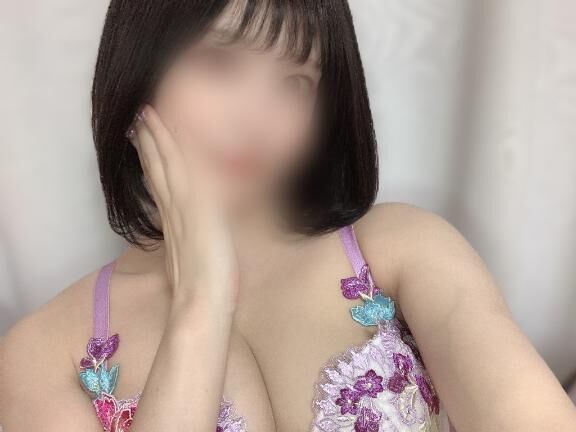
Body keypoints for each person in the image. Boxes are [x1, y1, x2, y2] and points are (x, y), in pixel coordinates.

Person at [1, 1, 574, 431]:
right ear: (137, 68)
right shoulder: (43, 352)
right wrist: (201, 302)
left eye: (295, 82)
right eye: (220, 62)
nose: (258, 119)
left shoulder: (404, 250)